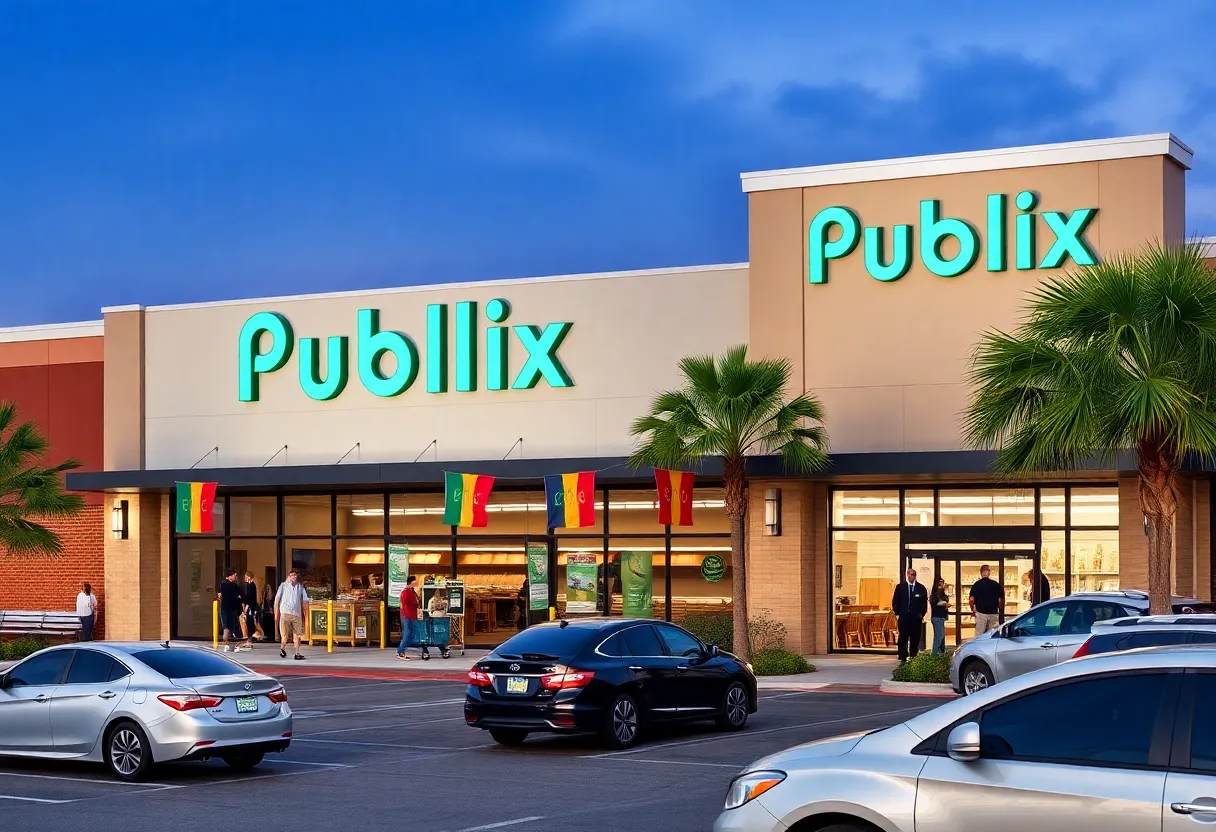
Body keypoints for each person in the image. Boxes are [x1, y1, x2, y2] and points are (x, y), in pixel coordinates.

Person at [891, 567, 928, 662]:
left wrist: (921, 614)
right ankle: (903, 656)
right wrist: (898, 613)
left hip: (916, 618)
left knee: (915, 638)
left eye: (913, 575)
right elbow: (895, 601)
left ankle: (913, 656)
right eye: (909, 574)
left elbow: (924, 603)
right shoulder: (900, 587)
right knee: (903, 637)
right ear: (907, 575)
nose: (911, 577)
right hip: (904, 618)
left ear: (915, 576)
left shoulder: (921, 588)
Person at [274, 569, 309, 660]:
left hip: (296, 614)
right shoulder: (283, 586)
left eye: (295, 575)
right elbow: (277, 600)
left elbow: (305, 600)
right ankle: (282, 649)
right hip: (285, 613)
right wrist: (276, 614)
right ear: (289, 576)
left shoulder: (300, 587)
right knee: (285, 635)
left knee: (297, 634)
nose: (294, 577)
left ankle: (297, 653)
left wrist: (306, 613)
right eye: (292, 575)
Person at [969, 564, 1004, 637]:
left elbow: (971, 600)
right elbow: (1001, 599)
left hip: (981, 613)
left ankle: (979, 647)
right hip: (993, 612)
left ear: (981, 573)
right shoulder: (996, 585)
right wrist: (1000, 610)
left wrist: (973, 610)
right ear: (989, 573)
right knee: (991, 634)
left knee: (979, 634)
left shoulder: (976, 585)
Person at [217, 569, 245, 652]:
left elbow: (221, 595)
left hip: (225, 608)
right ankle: (228, 643)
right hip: (231, 608)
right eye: (234, 575)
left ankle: (226, 643)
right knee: (230, 626)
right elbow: (241, 594)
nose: (235, 577)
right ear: (229, 576)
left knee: (226, 627)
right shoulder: (234, 586)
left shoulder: (223, 584)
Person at [397, 576, 423, 660]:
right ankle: (401, 651)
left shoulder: (412, 591)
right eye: (415, 581)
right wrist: (416, 604)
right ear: (411, 582)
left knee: (411, 634)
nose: (416, 583)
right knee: (407, 634)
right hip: (407, 615)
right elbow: (407, 602)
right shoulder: (406, 592)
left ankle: (403, 649)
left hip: (412, 615)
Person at [240, 571, 265, 645]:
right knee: (254, 622)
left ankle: (260, 635)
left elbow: (250, 599)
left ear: (248, 577)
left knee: (253, 622)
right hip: (253, 607)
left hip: (252, 608)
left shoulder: (251, 586)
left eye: (245, 577)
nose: (244, 578)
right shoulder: (251, 585)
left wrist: (245, 608)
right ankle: (257, 635)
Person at [428, 588, 452, 660]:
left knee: (436, 634)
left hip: (434, 618)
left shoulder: (431, 600)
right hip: (443, 619)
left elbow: (429, 610)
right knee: (442, 633)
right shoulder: (445, 600)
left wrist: (432, 615)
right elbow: (447, 610)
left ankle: (442, 648)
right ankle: (443, 649)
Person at [930, 577, 950, 655]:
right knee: (939, 636)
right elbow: (937, 603)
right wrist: (945, 603)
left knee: (940, 636)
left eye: (942, 583)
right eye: (940, 583)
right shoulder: (935, 594)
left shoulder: (942, 594)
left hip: (940, 617)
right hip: (937, 617)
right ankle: (934, 654)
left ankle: (938, 652)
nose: (941, 585)